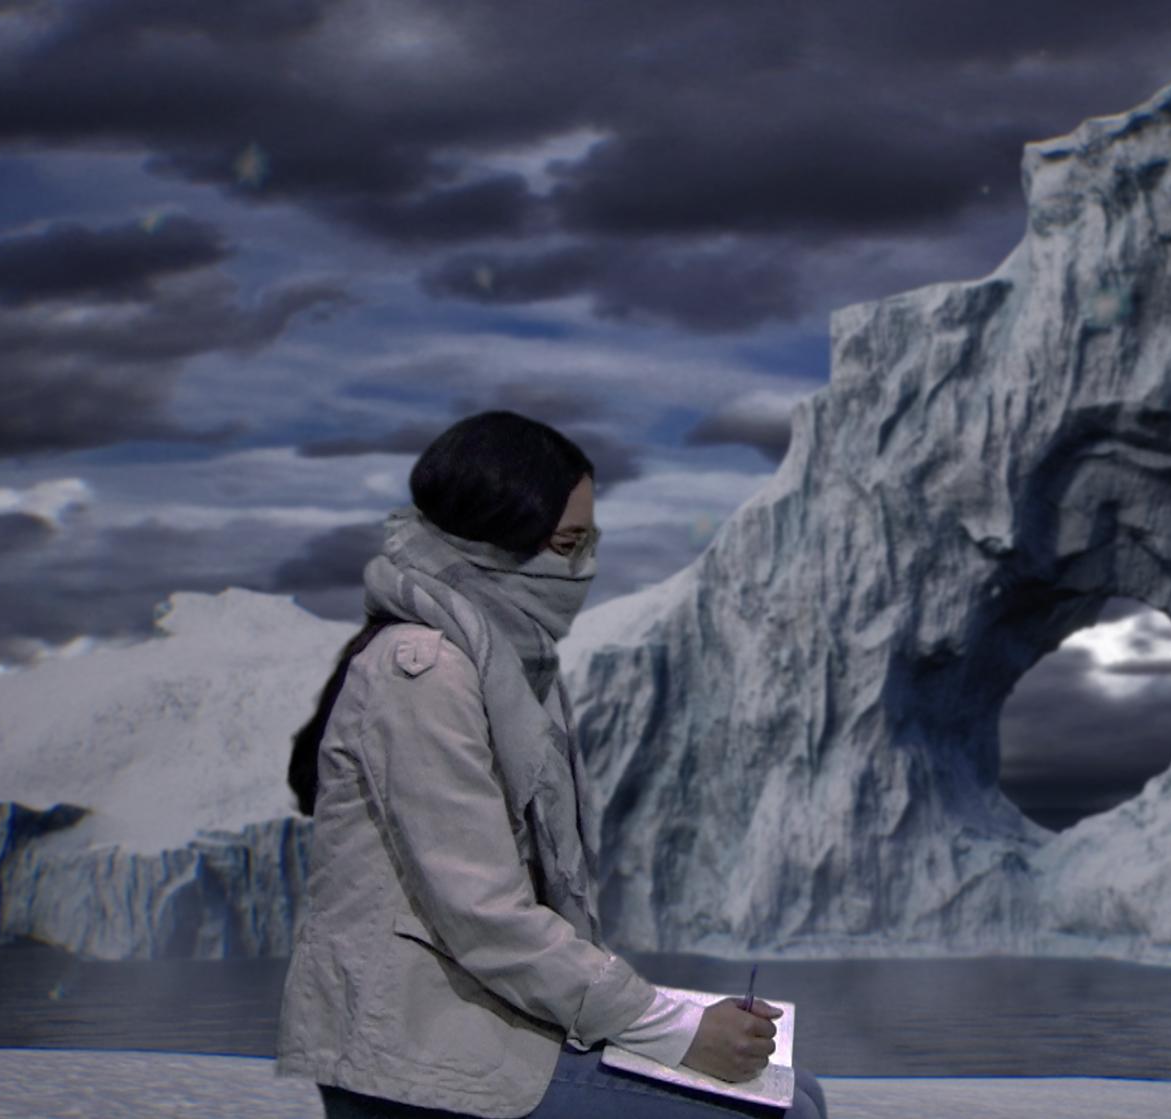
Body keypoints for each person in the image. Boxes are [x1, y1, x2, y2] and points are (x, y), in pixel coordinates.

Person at [277, 410, 827, 1119]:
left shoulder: (497, 660)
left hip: (476, 1023)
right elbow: (484, 914)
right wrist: (680, 1030)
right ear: (497, 542)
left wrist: (668, 1021)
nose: (583, 567)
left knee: (796, 1089)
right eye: (568, 543)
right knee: (781, 1113)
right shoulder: (424, 672)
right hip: (416, 1056)